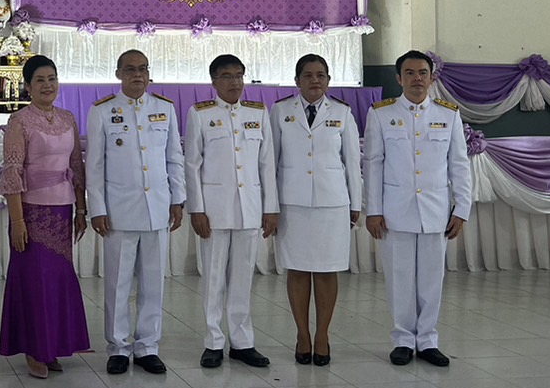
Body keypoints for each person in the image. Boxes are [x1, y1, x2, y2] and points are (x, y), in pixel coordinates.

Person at [364, 50, 471, 366]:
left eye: (422, 72)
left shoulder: (447, 114)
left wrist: (461, 208)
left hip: (435, 211)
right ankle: (402, 339)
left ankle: (427, 340)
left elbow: (459, 164)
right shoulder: (381, 113)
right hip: (395, 210)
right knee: (399, 277)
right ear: (399, 78)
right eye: (409, 73)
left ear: (432, 77)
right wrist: (373, 209)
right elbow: (373, 164)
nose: (417, 78)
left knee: (431, 278)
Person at [87, 50, 185, 375]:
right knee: (117, 283)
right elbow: (95, 165)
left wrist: (178, 200)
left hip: (157, 208)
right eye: (130, 70)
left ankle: (147, 346)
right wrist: (97, 208)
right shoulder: (103, 111)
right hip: (118, 212)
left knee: (154, 282)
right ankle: (117, 346)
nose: (137, 75)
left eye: (143, 69)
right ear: (118, 74)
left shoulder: (165, 109)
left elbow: (174, 159)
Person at [0, 55, 92, 379]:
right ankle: (34, 348)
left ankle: (53, 345)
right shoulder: (19, 121)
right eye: (39, 79)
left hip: (62, 210)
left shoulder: (67, 118)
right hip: (31, 213)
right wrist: (17, 221)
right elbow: (11, 173)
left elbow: (76, 167)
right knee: (33, 282)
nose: (47, 85)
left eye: (52, 78)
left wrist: (81, 209)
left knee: (58, 281)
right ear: (27, 86)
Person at [184, 54, 278, 369]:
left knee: (242, 277)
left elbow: (267, 164)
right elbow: (192, 165)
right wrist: (196, 208)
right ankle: (213, 341)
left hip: (249, 209)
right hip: (214, 210)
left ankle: (242, 341)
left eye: (239, 75)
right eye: (227, 76)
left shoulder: (258, 113)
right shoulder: (200, 114)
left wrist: (270, 208)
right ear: (214, 81)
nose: (234, 82)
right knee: (212, 277)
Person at [272, 54, 362, 366]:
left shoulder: (342, 112)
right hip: (292, 202)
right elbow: (272, 160)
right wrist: (271, 204)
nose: (315, 81)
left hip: (332, 202)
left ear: (328, 80)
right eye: (308, 75)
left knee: (327, 270)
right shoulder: (281, 111)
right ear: (297, 80)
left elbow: (352, 161)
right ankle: (302, 334)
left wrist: (357, 202)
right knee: (297, 269)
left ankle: (322, 334)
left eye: (321, 75)